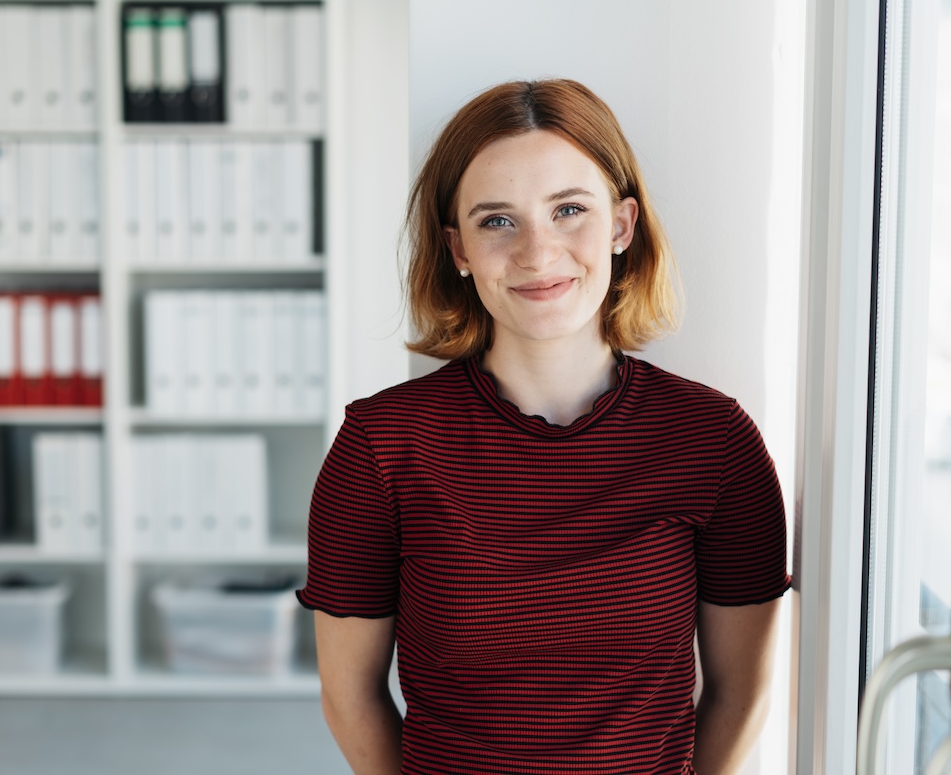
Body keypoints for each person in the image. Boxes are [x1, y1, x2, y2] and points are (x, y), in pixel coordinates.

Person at [295, 78, 790, 775]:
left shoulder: (712, 441)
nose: (537, 251)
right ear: (458, 249)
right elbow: (349, 697)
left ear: (622, 226)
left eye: (568, 210)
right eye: (498, 221)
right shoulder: (381, 447)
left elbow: (741, 693)